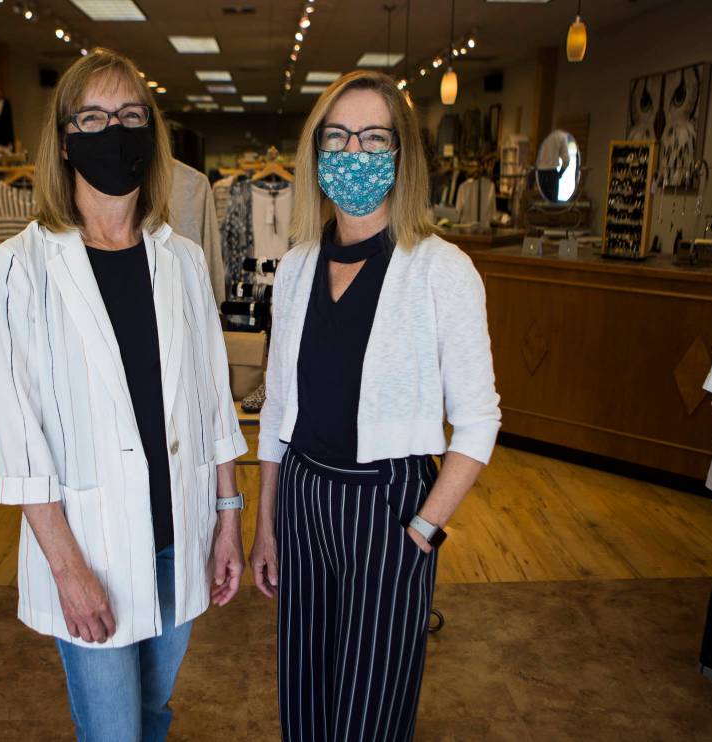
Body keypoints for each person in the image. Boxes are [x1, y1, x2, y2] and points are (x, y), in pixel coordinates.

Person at [0, 48, 248, 741]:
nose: (115, 131)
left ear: (151, 135)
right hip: (90, 547)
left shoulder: (182, 259)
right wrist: (66, 568)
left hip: (178, 534)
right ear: (64, 140)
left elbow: (214, 402)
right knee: (113, 732)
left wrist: (227, 518)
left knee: (154, 712)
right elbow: (20, 440)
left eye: (131, 116)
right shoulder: (19, 267)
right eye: (94, 118)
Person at [250, 70, 502, 742]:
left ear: (401, 152)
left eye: (371, 137)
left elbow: (478, 420)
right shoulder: (296, 267)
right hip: (303, 498)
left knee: (370, 711)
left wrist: (423, 530)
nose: (352, 152)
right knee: (304, 698)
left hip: (389, 506)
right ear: (316, 152)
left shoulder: (441, 269)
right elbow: (277, 411)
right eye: (336, 137)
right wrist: (266, 524)